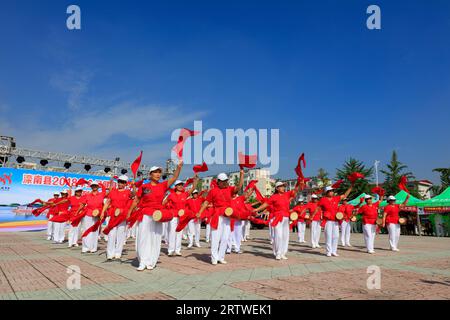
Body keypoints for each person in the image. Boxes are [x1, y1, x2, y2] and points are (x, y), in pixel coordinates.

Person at [127, 162, 183, 271]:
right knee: (144, 238)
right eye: (155, 172)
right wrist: (130, 211)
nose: (158, 174)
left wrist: (179, 167)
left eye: (159, 172)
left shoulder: (163, 185)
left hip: (157, 215)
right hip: (145, 214)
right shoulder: (144, 187)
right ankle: (142, 261)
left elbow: (175, 177)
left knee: (155, 238)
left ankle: (151, 261)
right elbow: (136, 200)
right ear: (150, 174)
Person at [197, 170, 244, 265]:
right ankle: (214, 258)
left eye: (226, 180)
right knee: (215, 238)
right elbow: (206, 202)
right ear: (218, 181)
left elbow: (239, 187)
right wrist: (200, 212)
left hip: (227, 215)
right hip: (217, 216)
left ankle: (221, 257)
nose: (224, 182)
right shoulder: (212, 191)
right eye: (222, 181)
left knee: (225, 238)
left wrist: (242, 174)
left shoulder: (229, 189)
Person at [253, 181, 300, 260]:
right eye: (281, 186)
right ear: (277, 188)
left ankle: (283, 253)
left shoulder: (287, 194)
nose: (283, 188)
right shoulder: (273, 197)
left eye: (283, 186)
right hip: (277, 218)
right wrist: (257, 209)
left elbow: (295, 191)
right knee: (278, 235)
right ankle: (278, 253)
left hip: (286, 217)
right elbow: (266, 204)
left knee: (285, 236)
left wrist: (300, 183)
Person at [313, 185, 352, 257]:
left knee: (336, 236)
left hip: (335, 221)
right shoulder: (323, 199)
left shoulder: (336, 198)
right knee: (328, 236)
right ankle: (328, 251)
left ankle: (334, 251)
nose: (332, 192)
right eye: (330, 191)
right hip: (327, 221)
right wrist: (312, 216)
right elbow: (318, 208)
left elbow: (345, 195)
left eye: (332, 191)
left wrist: (351, 187)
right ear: (327, 192)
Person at [101, 175, 134, 260]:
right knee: (111, 234)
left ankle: (118, 252)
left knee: (120, 235)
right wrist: (102, 212)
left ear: (125, 184)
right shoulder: (113, 191)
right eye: (119, 181)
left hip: (122, 217)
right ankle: (110, 253)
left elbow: (136, 195)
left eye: (122, 182)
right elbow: (108, 202)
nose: (120, 183)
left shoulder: (128, 192)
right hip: (113, 216)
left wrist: (133, 186)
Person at [163, 176, 197, 256]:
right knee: (172, 232)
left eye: (182, 185)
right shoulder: (171, 195)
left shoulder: (185, 194)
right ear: (175, 186)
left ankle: (177, 250)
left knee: (179, 233)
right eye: (179, 185)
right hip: (174, 215)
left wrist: (195, 180)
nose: (181, 186)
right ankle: (171, 250)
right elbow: (164, 202)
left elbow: (193, 188)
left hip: (182, 216)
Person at [77, 181, 107, 253]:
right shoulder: (87, 195)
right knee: (86, 230)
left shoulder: (102, 194)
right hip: (88, 214)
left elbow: (108, 199)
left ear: (98, 187)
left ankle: (93, 248)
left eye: (95, 186)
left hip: (97, 215)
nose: (94, 187)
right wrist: (77, 212)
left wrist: (102, 213)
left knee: (94, 231)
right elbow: (83, 205)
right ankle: (85, 247)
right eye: (93, 186)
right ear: (91, 187)